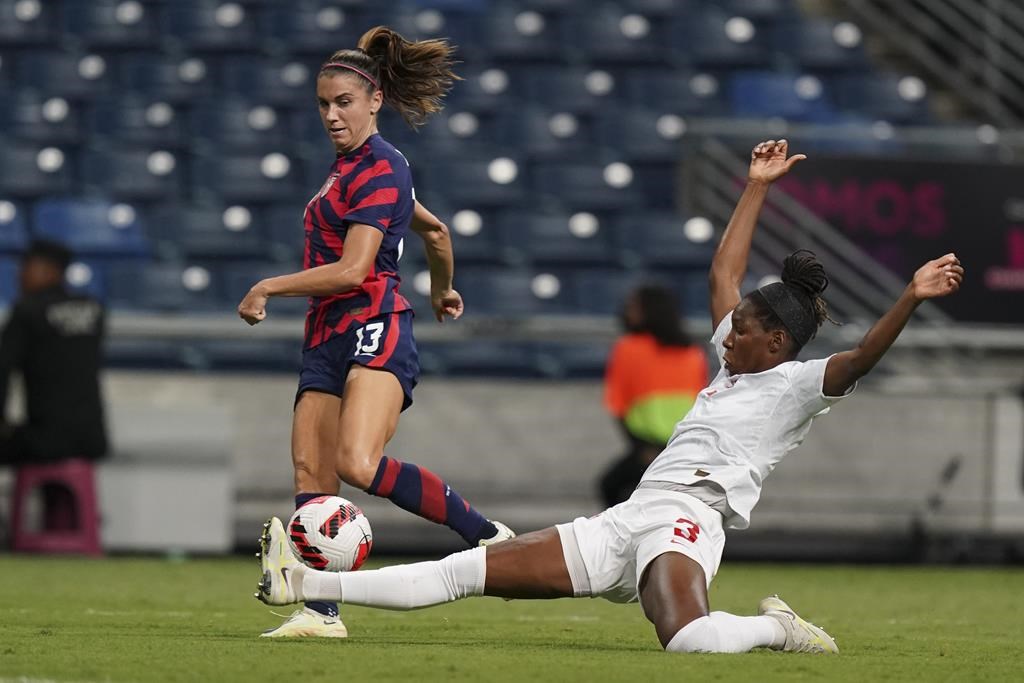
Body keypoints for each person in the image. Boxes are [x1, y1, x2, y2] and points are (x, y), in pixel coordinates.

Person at [252, 139, 964, 654]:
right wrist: (756, 186)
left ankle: (777, 628)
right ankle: (303, 585)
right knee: (463, 573)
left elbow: (862, 358)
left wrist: (910, 296)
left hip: (685, 524)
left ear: (775, 341)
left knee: (688, 641)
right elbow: (725, 267)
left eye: (741, 327)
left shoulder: (797, 386)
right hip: (626, 522)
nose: (726, 331)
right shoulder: (732, 365)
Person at [237, 26, 513, 638]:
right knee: (312, 473)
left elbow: (355, 270)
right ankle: (322, 612)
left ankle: (486, 534)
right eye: (323, 104)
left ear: (374, 102)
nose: (332, 115)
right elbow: (436, 232)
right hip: (325, 336)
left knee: (357, 464)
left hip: (374, 324)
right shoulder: (350, 171)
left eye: (343, 103)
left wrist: (266, 288)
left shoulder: (383, 165)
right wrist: (444, 286)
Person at [0, 239, 107, 467]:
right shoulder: (94, 310)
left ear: (50, 271)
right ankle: (59, 503)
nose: (19, 275)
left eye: (27, 267)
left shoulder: (28, 311)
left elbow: (1, 370)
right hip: (94, 439)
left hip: (43, 440)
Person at [599, 285, 708, 507]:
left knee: (611, 488)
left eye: (633, 307)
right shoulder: (693, 352)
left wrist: (641, 450)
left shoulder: (628, 348)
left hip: (646, 447)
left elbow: (618, 405)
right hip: (684, 448)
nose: (626, 311)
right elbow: (702, 405)